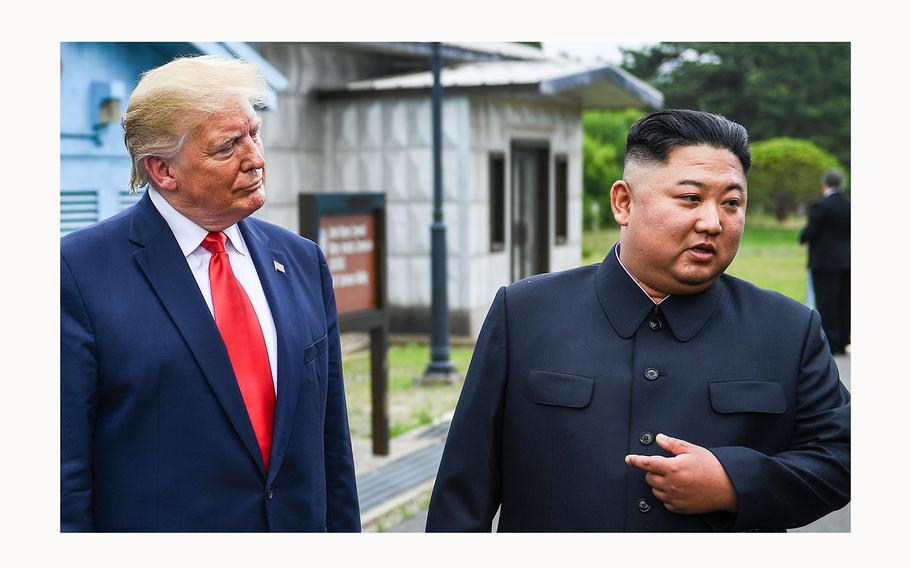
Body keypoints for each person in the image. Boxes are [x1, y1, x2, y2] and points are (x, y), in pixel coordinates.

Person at [425, 109, 850, 532]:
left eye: (732, 203)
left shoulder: (788, 329)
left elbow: (841, 457)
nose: (712, 222)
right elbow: (463, 494)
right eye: (690, 198)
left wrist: (734, 483)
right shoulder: (524, 313)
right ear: (623, 202)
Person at [61, 56, 360, 532]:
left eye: (255, 133)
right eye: (228, 146)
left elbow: (332, 448)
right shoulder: (75, 273)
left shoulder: (301, 261)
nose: (256, 158)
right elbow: (63, 478)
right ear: (163, 170)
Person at [800, 168, 851, 355]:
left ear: (824, 184)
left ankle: (830, 341)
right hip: (849, 261)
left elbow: (810, 232)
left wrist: (803, 237)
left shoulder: (820, 206)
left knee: (826, 301)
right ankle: (843, 340)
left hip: (824, 261)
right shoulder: (850, 205)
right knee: (845, 301)